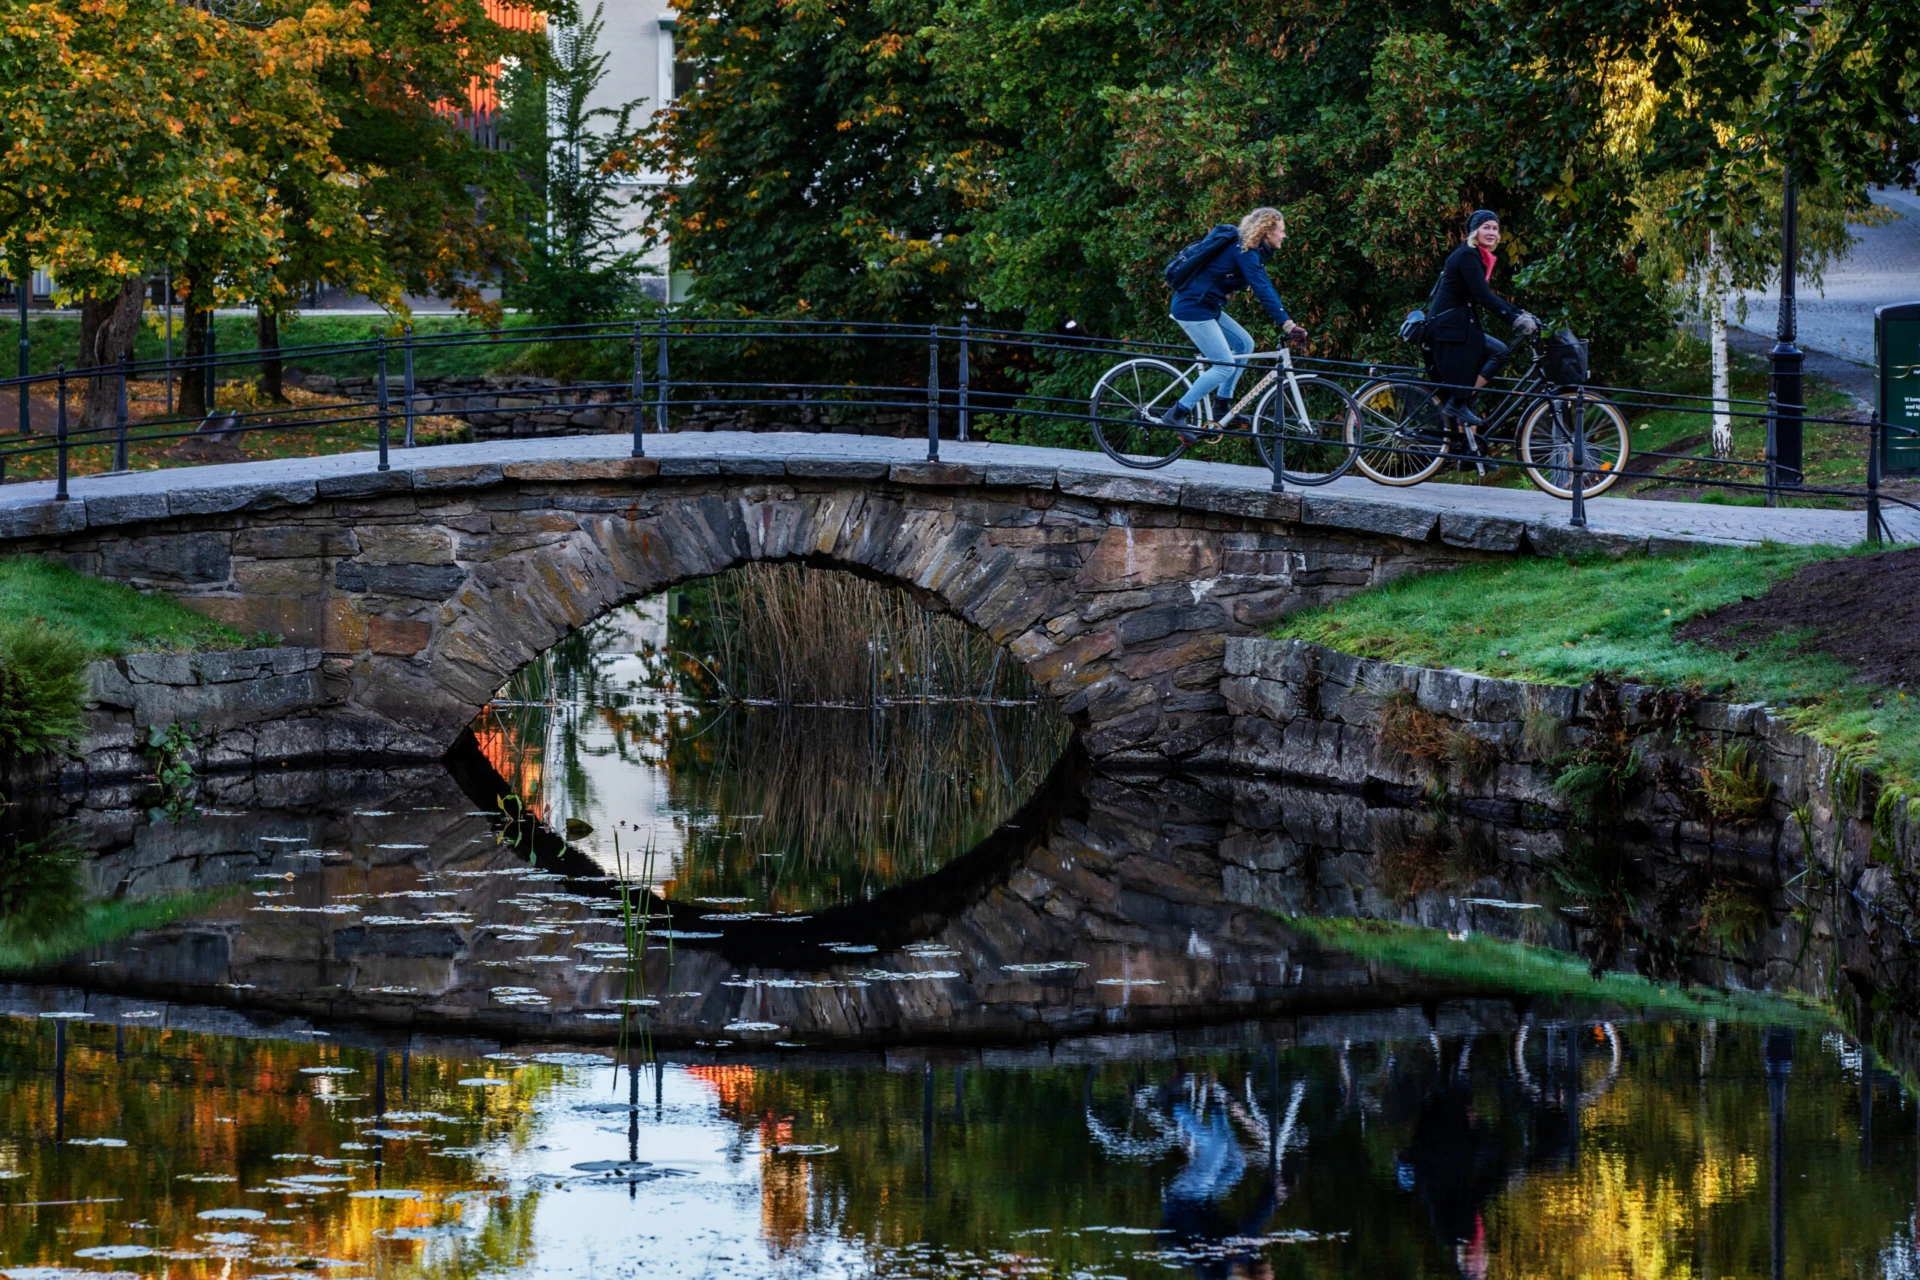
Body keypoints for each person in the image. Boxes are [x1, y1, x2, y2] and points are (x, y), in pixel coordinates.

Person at [1160, 207, 1307, 437]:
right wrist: (1287, 324)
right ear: (1267, 232)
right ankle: (1176, 414)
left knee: (1244, 344)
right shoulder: (1245, 251)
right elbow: (1263, 288)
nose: (1284, 235)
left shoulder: (1250, 250)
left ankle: (1222, 406)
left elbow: (1261, 285)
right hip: (1193, 307)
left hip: (1207, 306)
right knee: (1224, 365)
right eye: (1281, 230)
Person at [1426, 209, 1538, 429]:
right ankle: (1460, 399)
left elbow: (1486, 294)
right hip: (1449, 329)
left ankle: (1466, 434)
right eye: (1486, 227)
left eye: (1495, 228)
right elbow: (1483, 296)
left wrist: (1520, 313)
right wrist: (1513, 319)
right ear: (1474, 231)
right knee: (1500, 352)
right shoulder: (1468, 256)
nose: (1492, 232)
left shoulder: (1474, 255)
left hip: (1454, 327)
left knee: (1473, 385)